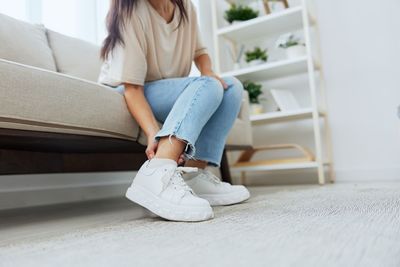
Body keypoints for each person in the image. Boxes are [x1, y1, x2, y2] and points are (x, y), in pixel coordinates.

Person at [99, 0, 250, 222]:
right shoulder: (130, 12)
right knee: (208, 85)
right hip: (128, 88)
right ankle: (157, 172)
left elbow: (200, 51)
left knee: (232, 88)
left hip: (166, 86)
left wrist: (207, 70)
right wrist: (152, 131)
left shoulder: (186, 7)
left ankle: (192, 175)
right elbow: (132, 88)